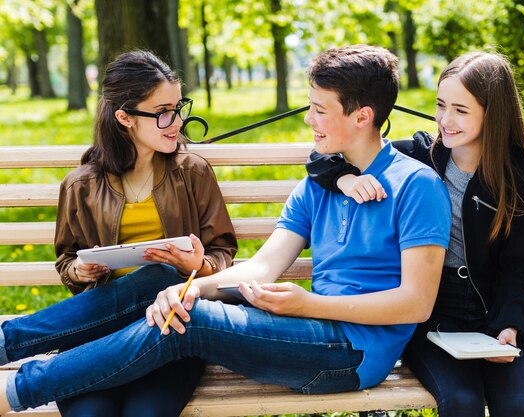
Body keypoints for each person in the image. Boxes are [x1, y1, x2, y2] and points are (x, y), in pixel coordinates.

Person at [0, 44, 451, 414]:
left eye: (318, 109)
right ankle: (6, 343)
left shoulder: (416, 186)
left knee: (188, 322)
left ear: (362, 116)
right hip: (309, 326)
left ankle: (15, 393)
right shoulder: (320, 185)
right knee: (169, 286)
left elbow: (415, 303)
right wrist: (192, 289)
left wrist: (308, 303)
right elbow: (261, 267)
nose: (308, 120)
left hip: (352, 353)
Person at [305, 51, 524, 417]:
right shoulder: (421, 158)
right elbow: (323, 158)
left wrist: (510, 325)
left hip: (497, 309)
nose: (445, 120)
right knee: (461, 404)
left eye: (461, 110)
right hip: (435, 318)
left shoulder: (519, 175)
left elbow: (517, 267)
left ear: (493, 113)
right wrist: (345, 178)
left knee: (516, 406)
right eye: (440, 105)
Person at [51, 50, 238, 417]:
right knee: (90, 414)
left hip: (171, 327)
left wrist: (197, 265)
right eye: (162, 112)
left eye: (178, 107)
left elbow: (223, 251)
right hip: (101, 326)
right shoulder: (81, 185)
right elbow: (67, 260)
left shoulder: (193, 171)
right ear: (124, 117)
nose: (177, 121)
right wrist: (81, 270)